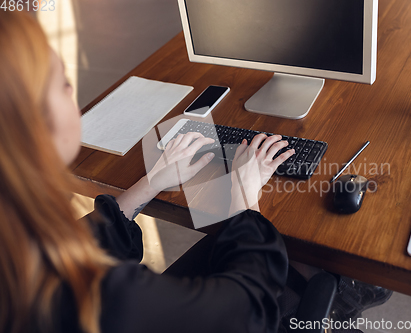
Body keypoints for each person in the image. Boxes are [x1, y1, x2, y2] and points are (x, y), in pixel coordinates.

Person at [0, 11, 296, 333]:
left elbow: (69, 248)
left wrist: (150, 184)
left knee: (219, 244)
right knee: (284, 262)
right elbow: (249, 309)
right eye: (64, 84)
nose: (73, 92)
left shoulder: (17, 249)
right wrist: (243, 194)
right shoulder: (102, 296)